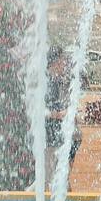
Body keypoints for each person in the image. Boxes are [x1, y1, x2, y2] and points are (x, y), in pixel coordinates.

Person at [44, 46, 81, 188]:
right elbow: (39, 110)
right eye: (62, 60)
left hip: (57, 137)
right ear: (55, 62)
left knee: (59, 179)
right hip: (50, 138)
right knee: (50, 179)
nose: (65, 64)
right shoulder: (46, 82)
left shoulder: (55, 81)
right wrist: (61, 114)